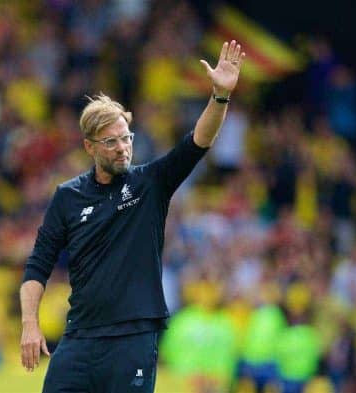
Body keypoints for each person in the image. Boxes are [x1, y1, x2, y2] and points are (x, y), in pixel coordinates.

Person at [19, 40, 245, 393]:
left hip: (133, 338)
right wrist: (30, 324)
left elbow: (198, 141)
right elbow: (38, 265)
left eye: (126, 138)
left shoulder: (151, 183)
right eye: (111, 142)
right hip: (79, 337)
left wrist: (219, 96)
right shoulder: (67, 196)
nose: (123, 147)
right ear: (89, 147)